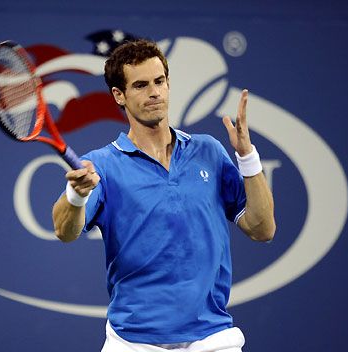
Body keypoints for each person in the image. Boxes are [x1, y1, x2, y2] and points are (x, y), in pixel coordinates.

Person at [52, 39, 275, 352]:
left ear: (169, 84)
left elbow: (262, 229)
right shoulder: (101, 165)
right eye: (141, 85)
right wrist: (76, 196)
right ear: (119, 95)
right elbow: (64, 231)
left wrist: (247, 157)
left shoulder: (208, 150)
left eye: (159, 82)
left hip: (213, 339)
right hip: (132, 343)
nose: (154, 92)